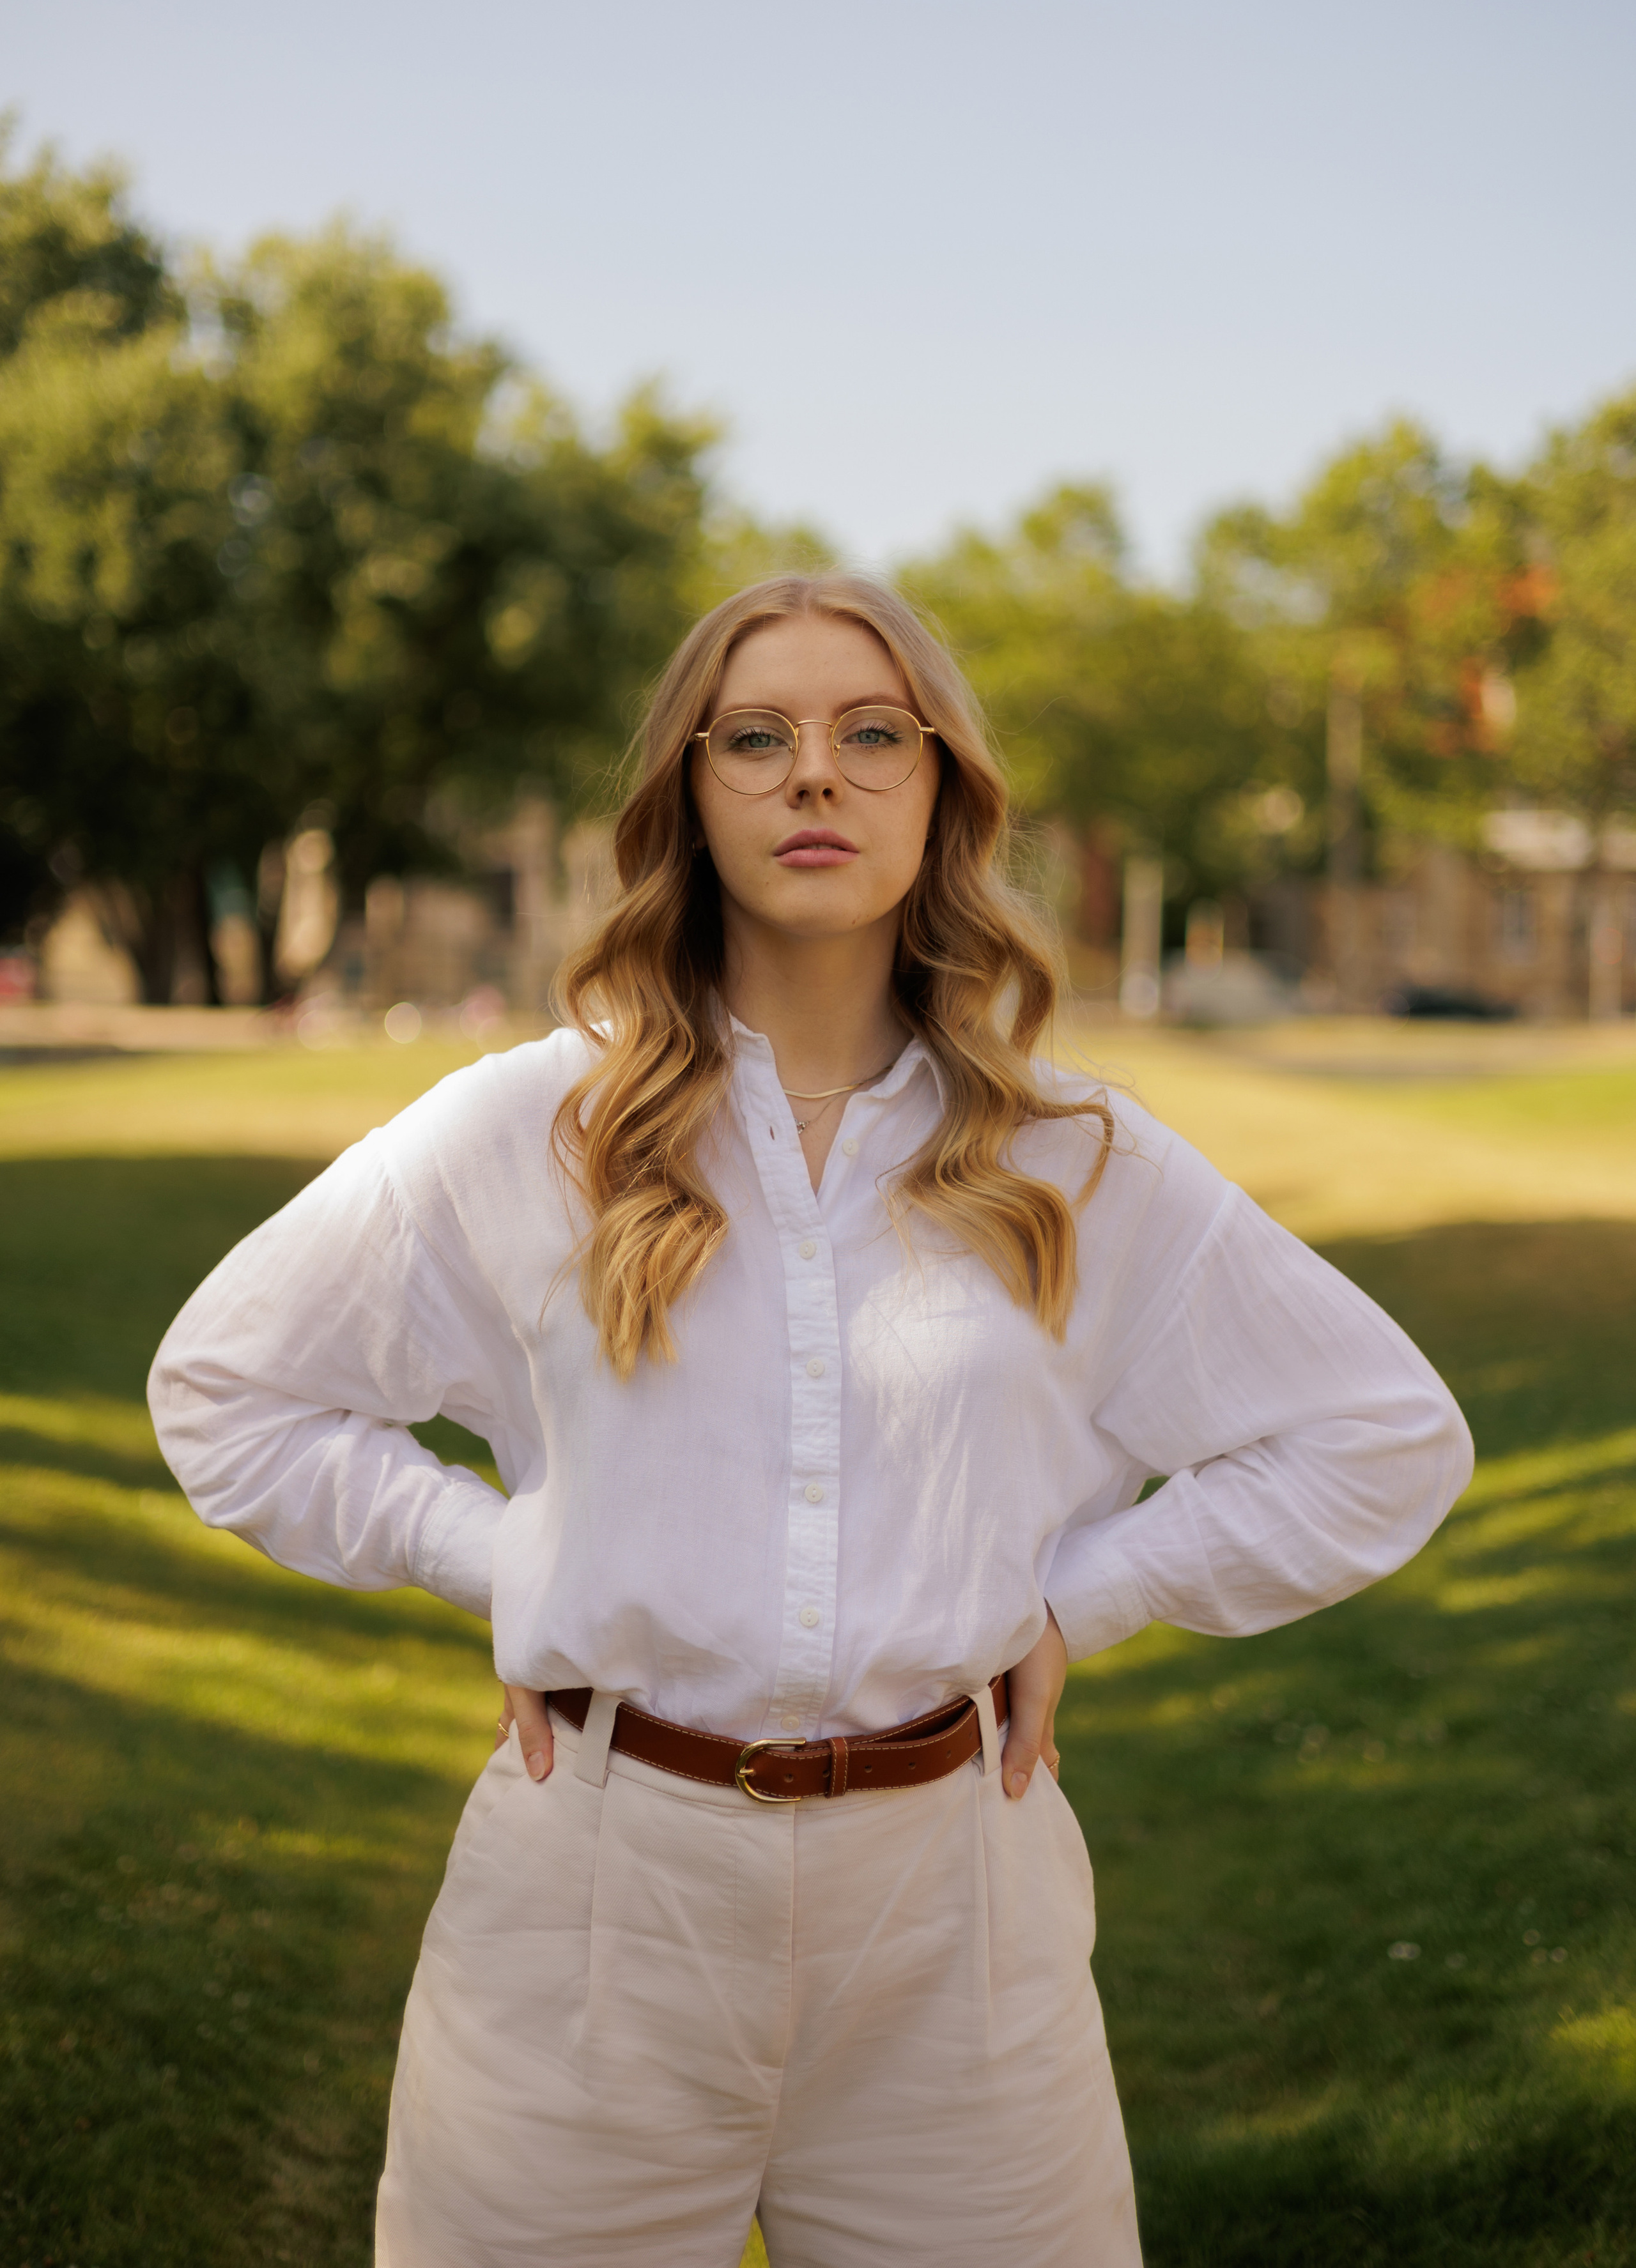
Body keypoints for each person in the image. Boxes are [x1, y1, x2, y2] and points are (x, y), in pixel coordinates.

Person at [149, 576, 1472, 2267]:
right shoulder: (527, 1127)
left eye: (872, 735)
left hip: (959, 1930)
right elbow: (227, 1389)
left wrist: (1089, 1597)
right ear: (690, 796)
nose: (815, 777)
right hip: (593, 1914)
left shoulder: (1078, 1160)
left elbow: (1382, 1436)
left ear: (943, 790)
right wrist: (501, 1550)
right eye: (756, 738)